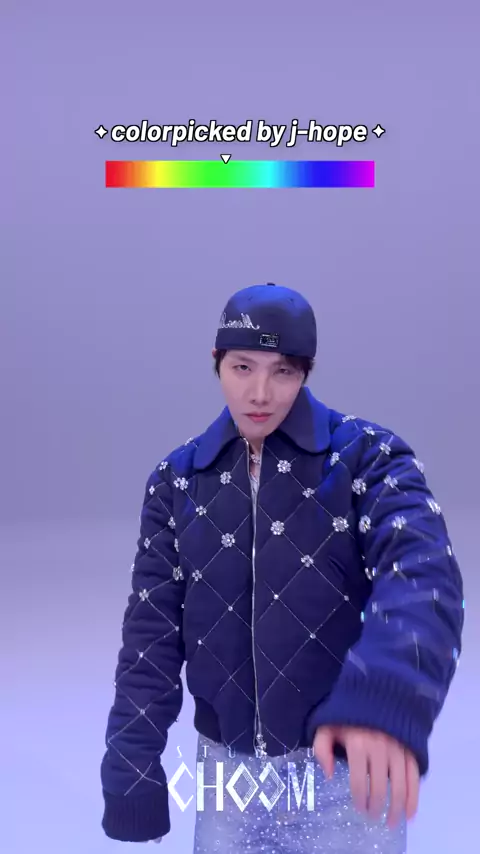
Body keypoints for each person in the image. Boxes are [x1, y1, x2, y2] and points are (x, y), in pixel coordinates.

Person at [100, 283, 464, 852]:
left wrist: (382, 696)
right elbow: (151, 634)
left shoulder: (370, 459)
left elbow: (423, 577)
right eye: (243, 367)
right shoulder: (176, 482)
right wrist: (131, 767)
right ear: (217, 361)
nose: (260, 393)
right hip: (229, 781)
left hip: (343, 775)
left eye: (283, 371)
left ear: (306, 372)